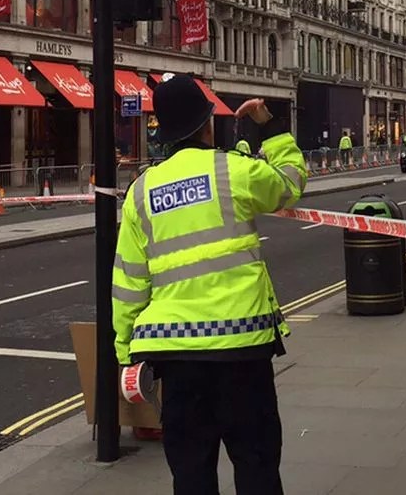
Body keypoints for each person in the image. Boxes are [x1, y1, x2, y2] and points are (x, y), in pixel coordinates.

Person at [112, 74, 306, 495]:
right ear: (206, 125)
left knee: (191, 474)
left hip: (176, 359)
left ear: (164, 133)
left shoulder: (140, 192)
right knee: (256, 466)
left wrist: (126, 352)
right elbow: (290, 182)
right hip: (242, 350)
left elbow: (128, 281)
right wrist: (271, 128)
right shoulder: (234, 171)